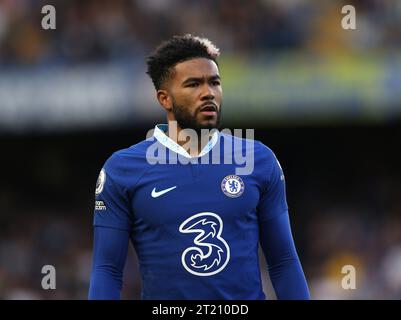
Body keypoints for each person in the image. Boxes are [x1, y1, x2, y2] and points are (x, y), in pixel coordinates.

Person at [88, 34, 310, 300]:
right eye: (193, 84)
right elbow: (107, 270)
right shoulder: (122, 169)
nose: (208, 93)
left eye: (214, 82)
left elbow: (284, 261)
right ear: (164, 99)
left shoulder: (258, 159)